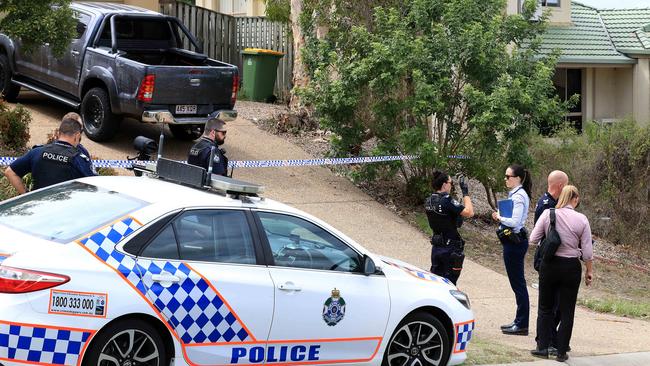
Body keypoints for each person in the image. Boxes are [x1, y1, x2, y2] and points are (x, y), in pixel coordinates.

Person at [529, 185, 593, 362]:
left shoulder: (548, 214)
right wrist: (589, 271)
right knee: (567, 311)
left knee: (545, 307)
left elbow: (533, 239)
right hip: (571, 267)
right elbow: (587, 250)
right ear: (576, 198)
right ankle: (561, 351)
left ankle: (542, 347)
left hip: (549, 265)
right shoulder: (582, 219)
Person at [4, 117, 96, 194]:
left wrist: (26, 195)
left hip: (37, 208)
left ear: (58, 133)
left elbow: (10, 172)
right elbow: (95, 185)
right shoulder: (78, 158)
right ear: (77, 135)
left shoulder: (37, 152)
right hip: (64, 211)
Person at [492, 164, 531, 336]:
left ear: (518, 178)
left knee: (519, 284)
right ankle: (519, 321)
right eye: (505, 176)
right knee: (517, 284)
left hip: (515, 242)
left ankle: (522, 323)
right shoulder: (516, 194)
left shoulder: (519, 196)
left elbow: (514, 222)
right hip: (512, 242)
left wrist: (499, 217)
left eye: (508, 176)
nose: (505, 179)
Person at [533, 170, 569, 352]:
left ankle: (551, 338)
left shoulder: (555, 204)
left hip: (557, 258)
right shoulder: (546, 205)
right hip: (547, 257)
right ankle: (546, 339)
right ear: (561, 186)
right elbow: (540, 234)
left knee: (557, 303)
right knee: (550, 304)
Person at [425, 171, 474, 285]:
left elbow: (446, 219)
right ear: (444, 184)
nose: (451, 186)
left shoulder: (429, 201)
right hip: (450, 249)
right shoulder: (446, 200)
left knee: (435, 282)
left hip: (437, 247)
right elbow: (470, 212)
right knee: (449, 284)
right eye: (451, 183)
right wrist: (465, 192)